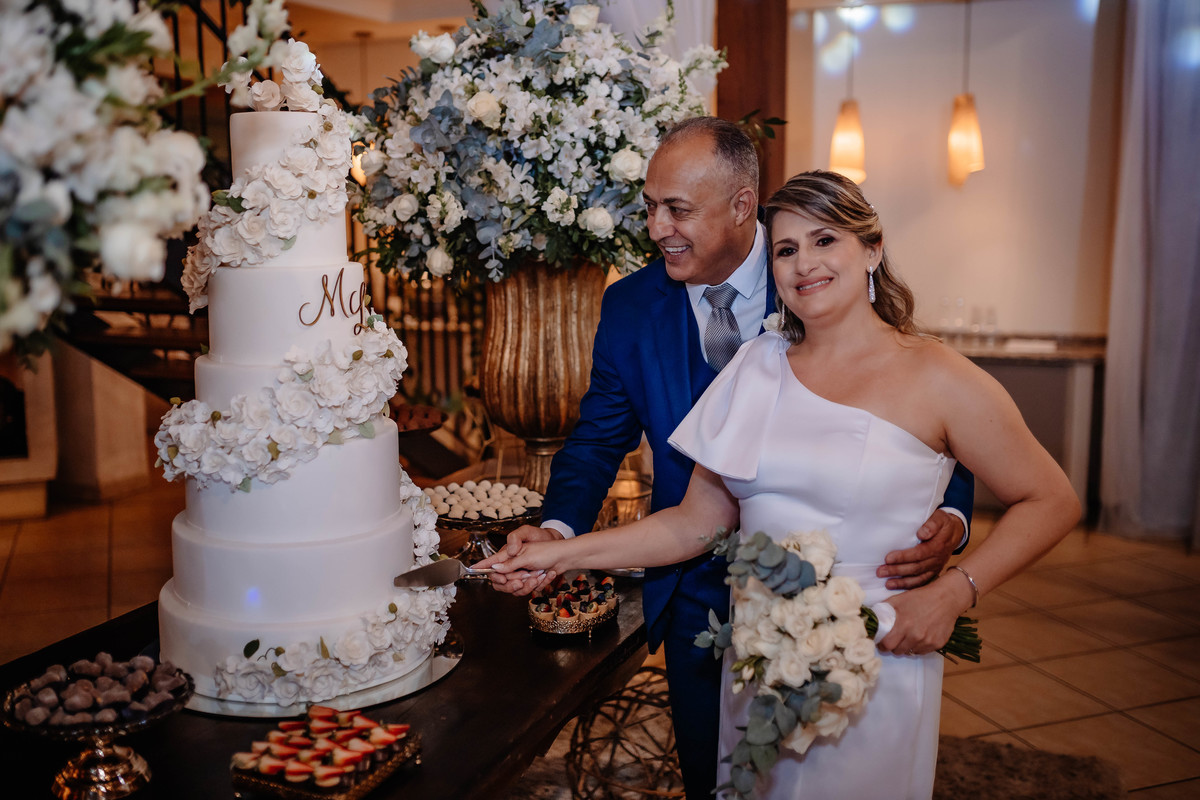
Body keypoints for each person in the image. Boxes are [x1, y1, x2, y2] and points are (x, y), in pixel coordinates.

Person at [481, 169, 1081, 799]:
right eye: (787, 249)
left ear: (872, 249)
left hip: (877, 655)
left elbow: (1050, 500)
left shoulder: (938, 376)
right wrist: (558, 554)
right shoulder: (756, 366)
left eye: (826, 241)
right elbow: (694, 525)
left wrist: (955, 593)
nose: (804, 264)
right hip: (758, 655)